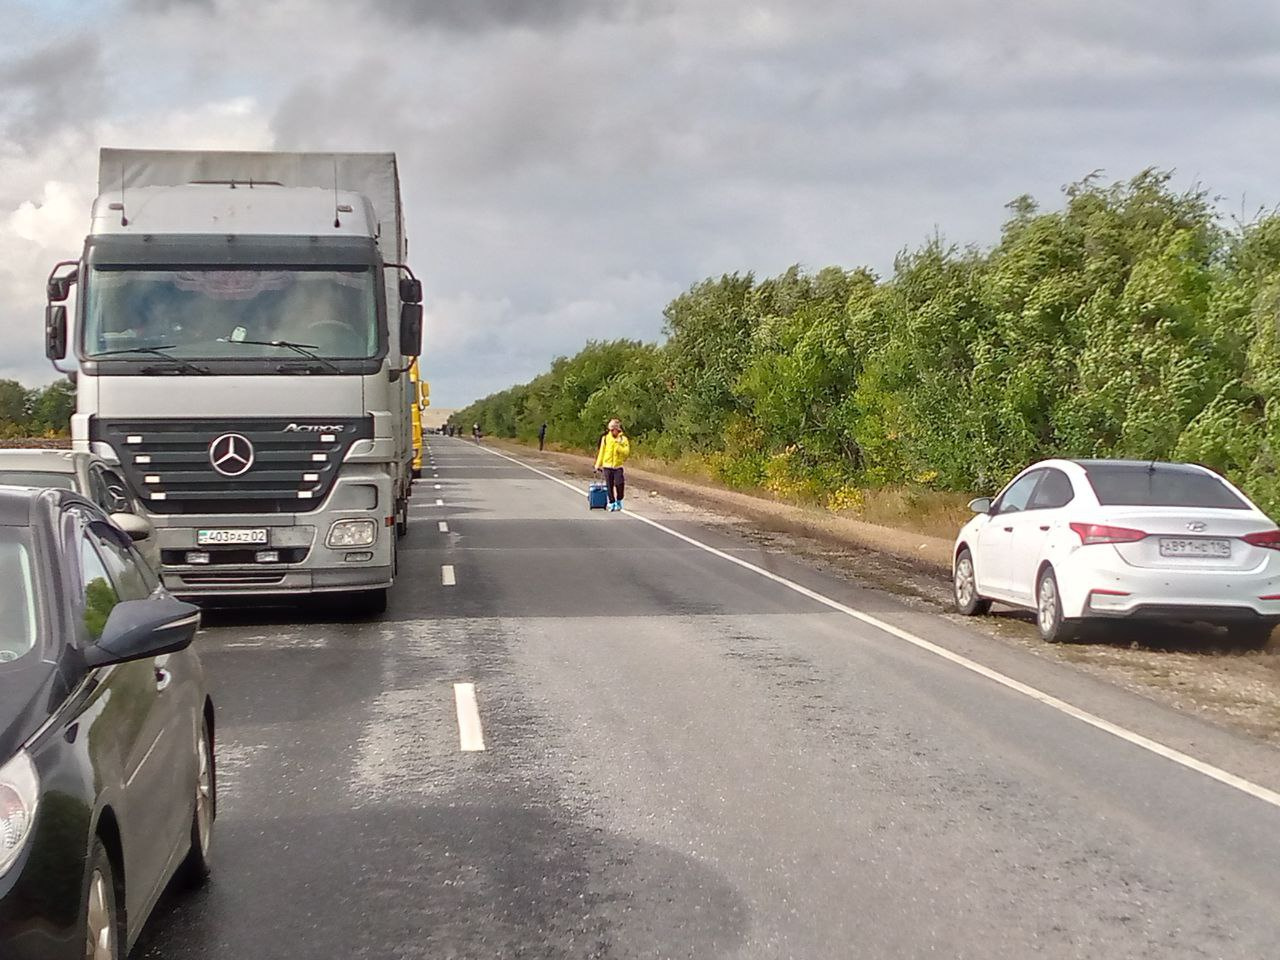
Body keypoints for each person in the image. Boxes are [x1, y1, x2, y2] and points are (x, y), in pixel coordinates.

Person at [594, 418, 631, 512]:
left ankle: (619, 500)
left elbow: (626, 452)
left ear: (617, 429)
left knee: (619, 483)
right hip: (607, 465)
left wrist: (618, 447)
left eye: (612, 429)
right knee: (609, 485)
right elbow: (601, 452)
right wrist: (598, 464)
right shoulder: (605, 438)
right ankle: (611, 502)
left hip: (617, 466)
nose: (611, 431)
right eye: (610, 429)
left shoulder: (623, 439)